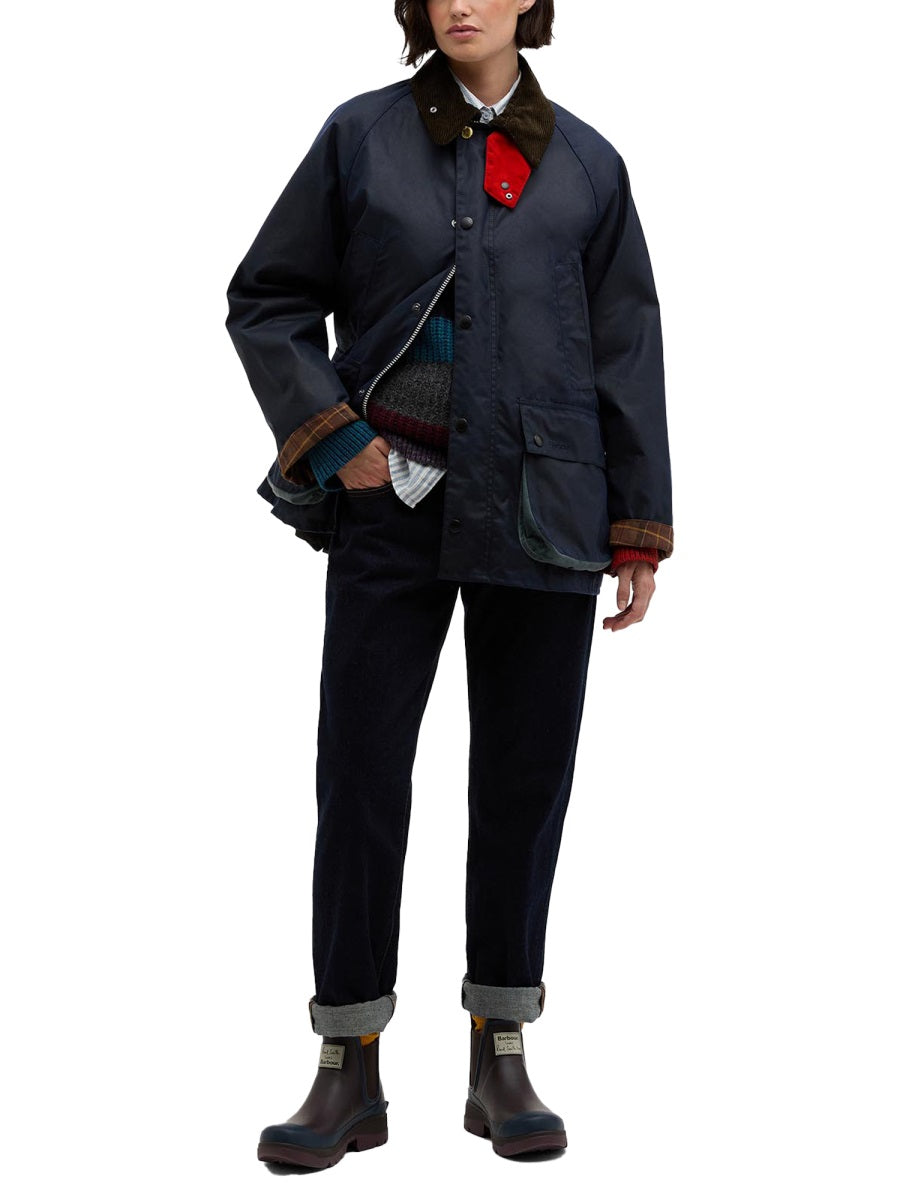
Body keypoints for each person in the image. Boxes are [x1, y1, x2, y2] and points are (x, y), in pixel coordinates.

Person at [225, 0, 673, 1168]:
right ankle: (349, 1066)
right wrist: (338, 443)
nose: (461, 3)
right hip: (394, 506)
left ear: (532, 3)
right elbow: (267, 299)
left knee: (524, 782)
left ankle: (499, 1054)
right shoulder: (361, 138)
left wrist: (638, 527)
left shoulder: (589, 165)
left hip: (549, 509)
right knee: (361, 775)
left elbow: (626, 345)